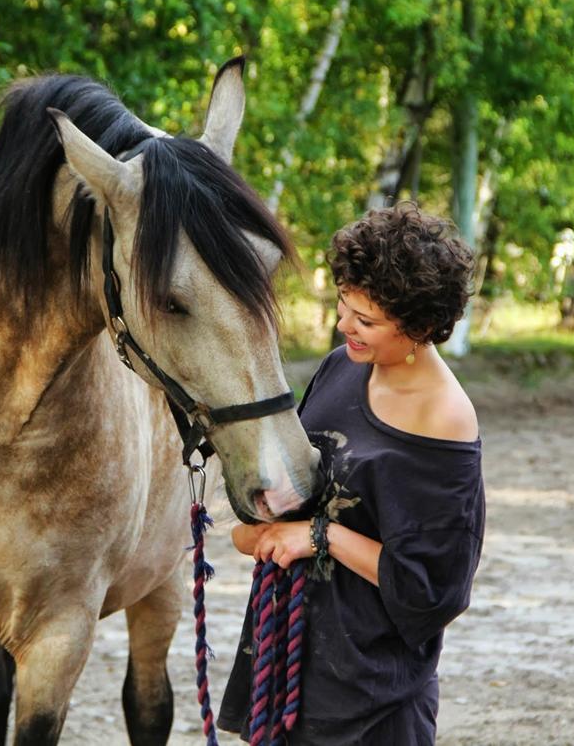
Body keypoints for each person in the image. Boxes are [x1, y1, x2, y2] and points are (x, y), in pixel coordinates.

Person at [218, 203, 485, 745]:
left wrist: (320, 537)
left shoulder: (445, 419)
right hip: (288, 667)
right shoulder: (343, 365)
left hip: (370, 700)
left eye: (365, 321)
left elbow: (433, 590)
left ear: (422, 327)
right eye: (344, 307)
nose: (345, 328)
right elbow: (309, 484)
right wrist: (263, 524)